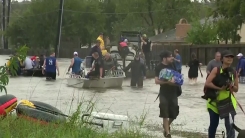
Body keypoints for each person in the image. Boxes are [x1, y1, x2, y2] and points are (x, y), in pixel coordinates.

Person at [205, 50, 238, 138]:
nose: (229, 58)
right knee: (213, 125)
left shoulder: (234, 72)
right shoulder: (216, 70)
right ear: (222, 59)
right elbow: (207, 83)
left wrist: (231, 86)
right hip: (214, 102)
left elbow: (236, 89)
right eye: (227, 57)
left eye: (231, 57)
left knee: (230, 126)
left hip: (229, 103)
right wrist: (220, 88)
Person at [154, 50, 180, 138]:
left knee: (174, 113)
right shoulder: (158, 67)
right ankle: (168, 133)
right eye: (169, 56)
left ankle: (166, 126)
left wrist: (176, 80)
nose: (171, 58)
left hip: (173, 92)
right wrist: (167, 82)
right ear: (164, 58)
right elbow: (156, 81)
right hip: (164, 93)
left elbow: (178, 77)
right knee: (164, 113)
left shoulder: (172, 65)